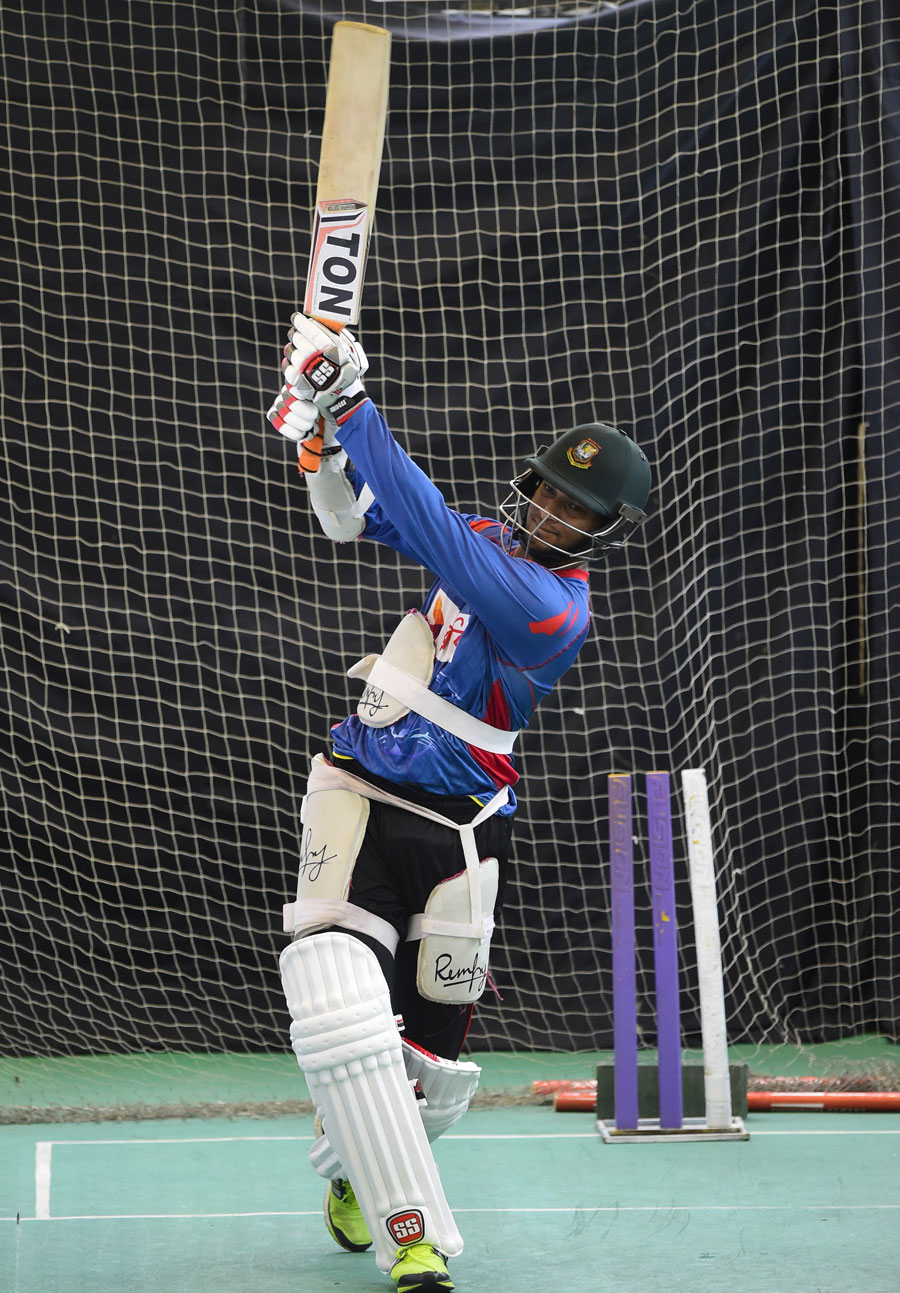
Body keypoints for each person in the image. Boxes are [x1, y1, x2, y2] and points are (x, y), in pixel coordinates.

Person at [268, 315, 651, 1292]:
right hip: (358, 791)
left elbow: (427, 521)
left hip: (464, 833)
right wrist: (320, 440)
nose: (551, 511)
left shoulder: (552, 609)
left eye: (575, 509)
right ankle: (416, 1241)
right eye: (547, 490)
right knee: (338, 1006)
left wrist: (351, 401)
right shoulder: (485, 536)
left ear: (599, 531)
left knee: (430, 1061)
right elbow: (351, 518)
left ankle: (360, 1160)